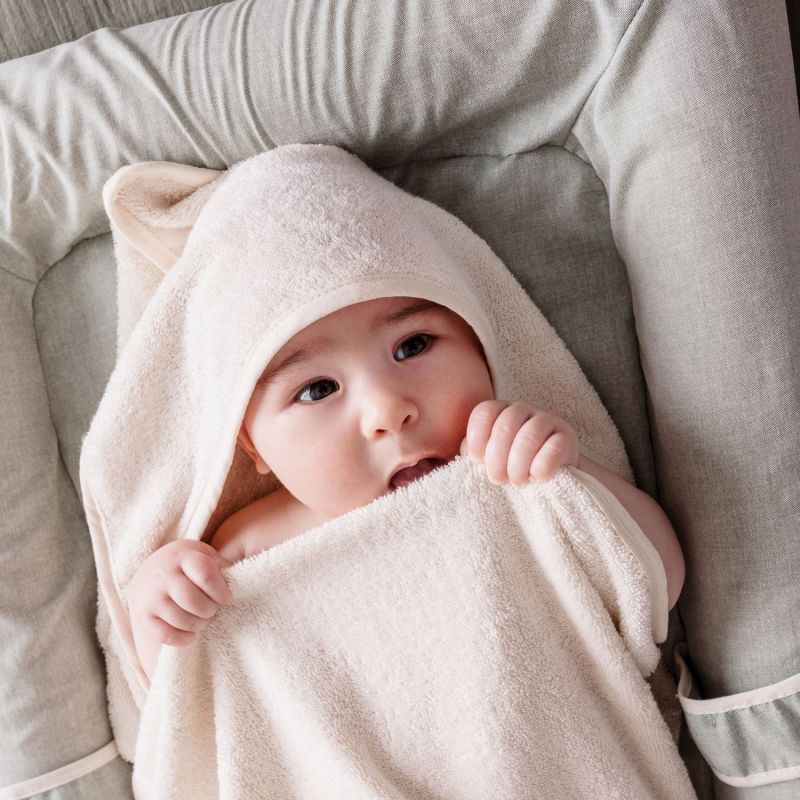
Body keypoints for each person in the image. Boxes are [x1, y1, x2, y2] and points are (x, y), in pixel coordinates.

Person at [127, 293, 686, 681]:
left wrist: (571, 473)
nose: (388, 411)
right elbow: (193, 702)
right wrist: (158, 608)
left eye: (413, 346)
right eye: (318, 389)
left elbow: (657, 583)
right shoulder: (250, 544)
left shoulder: (510, 475)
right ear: (252, 447)